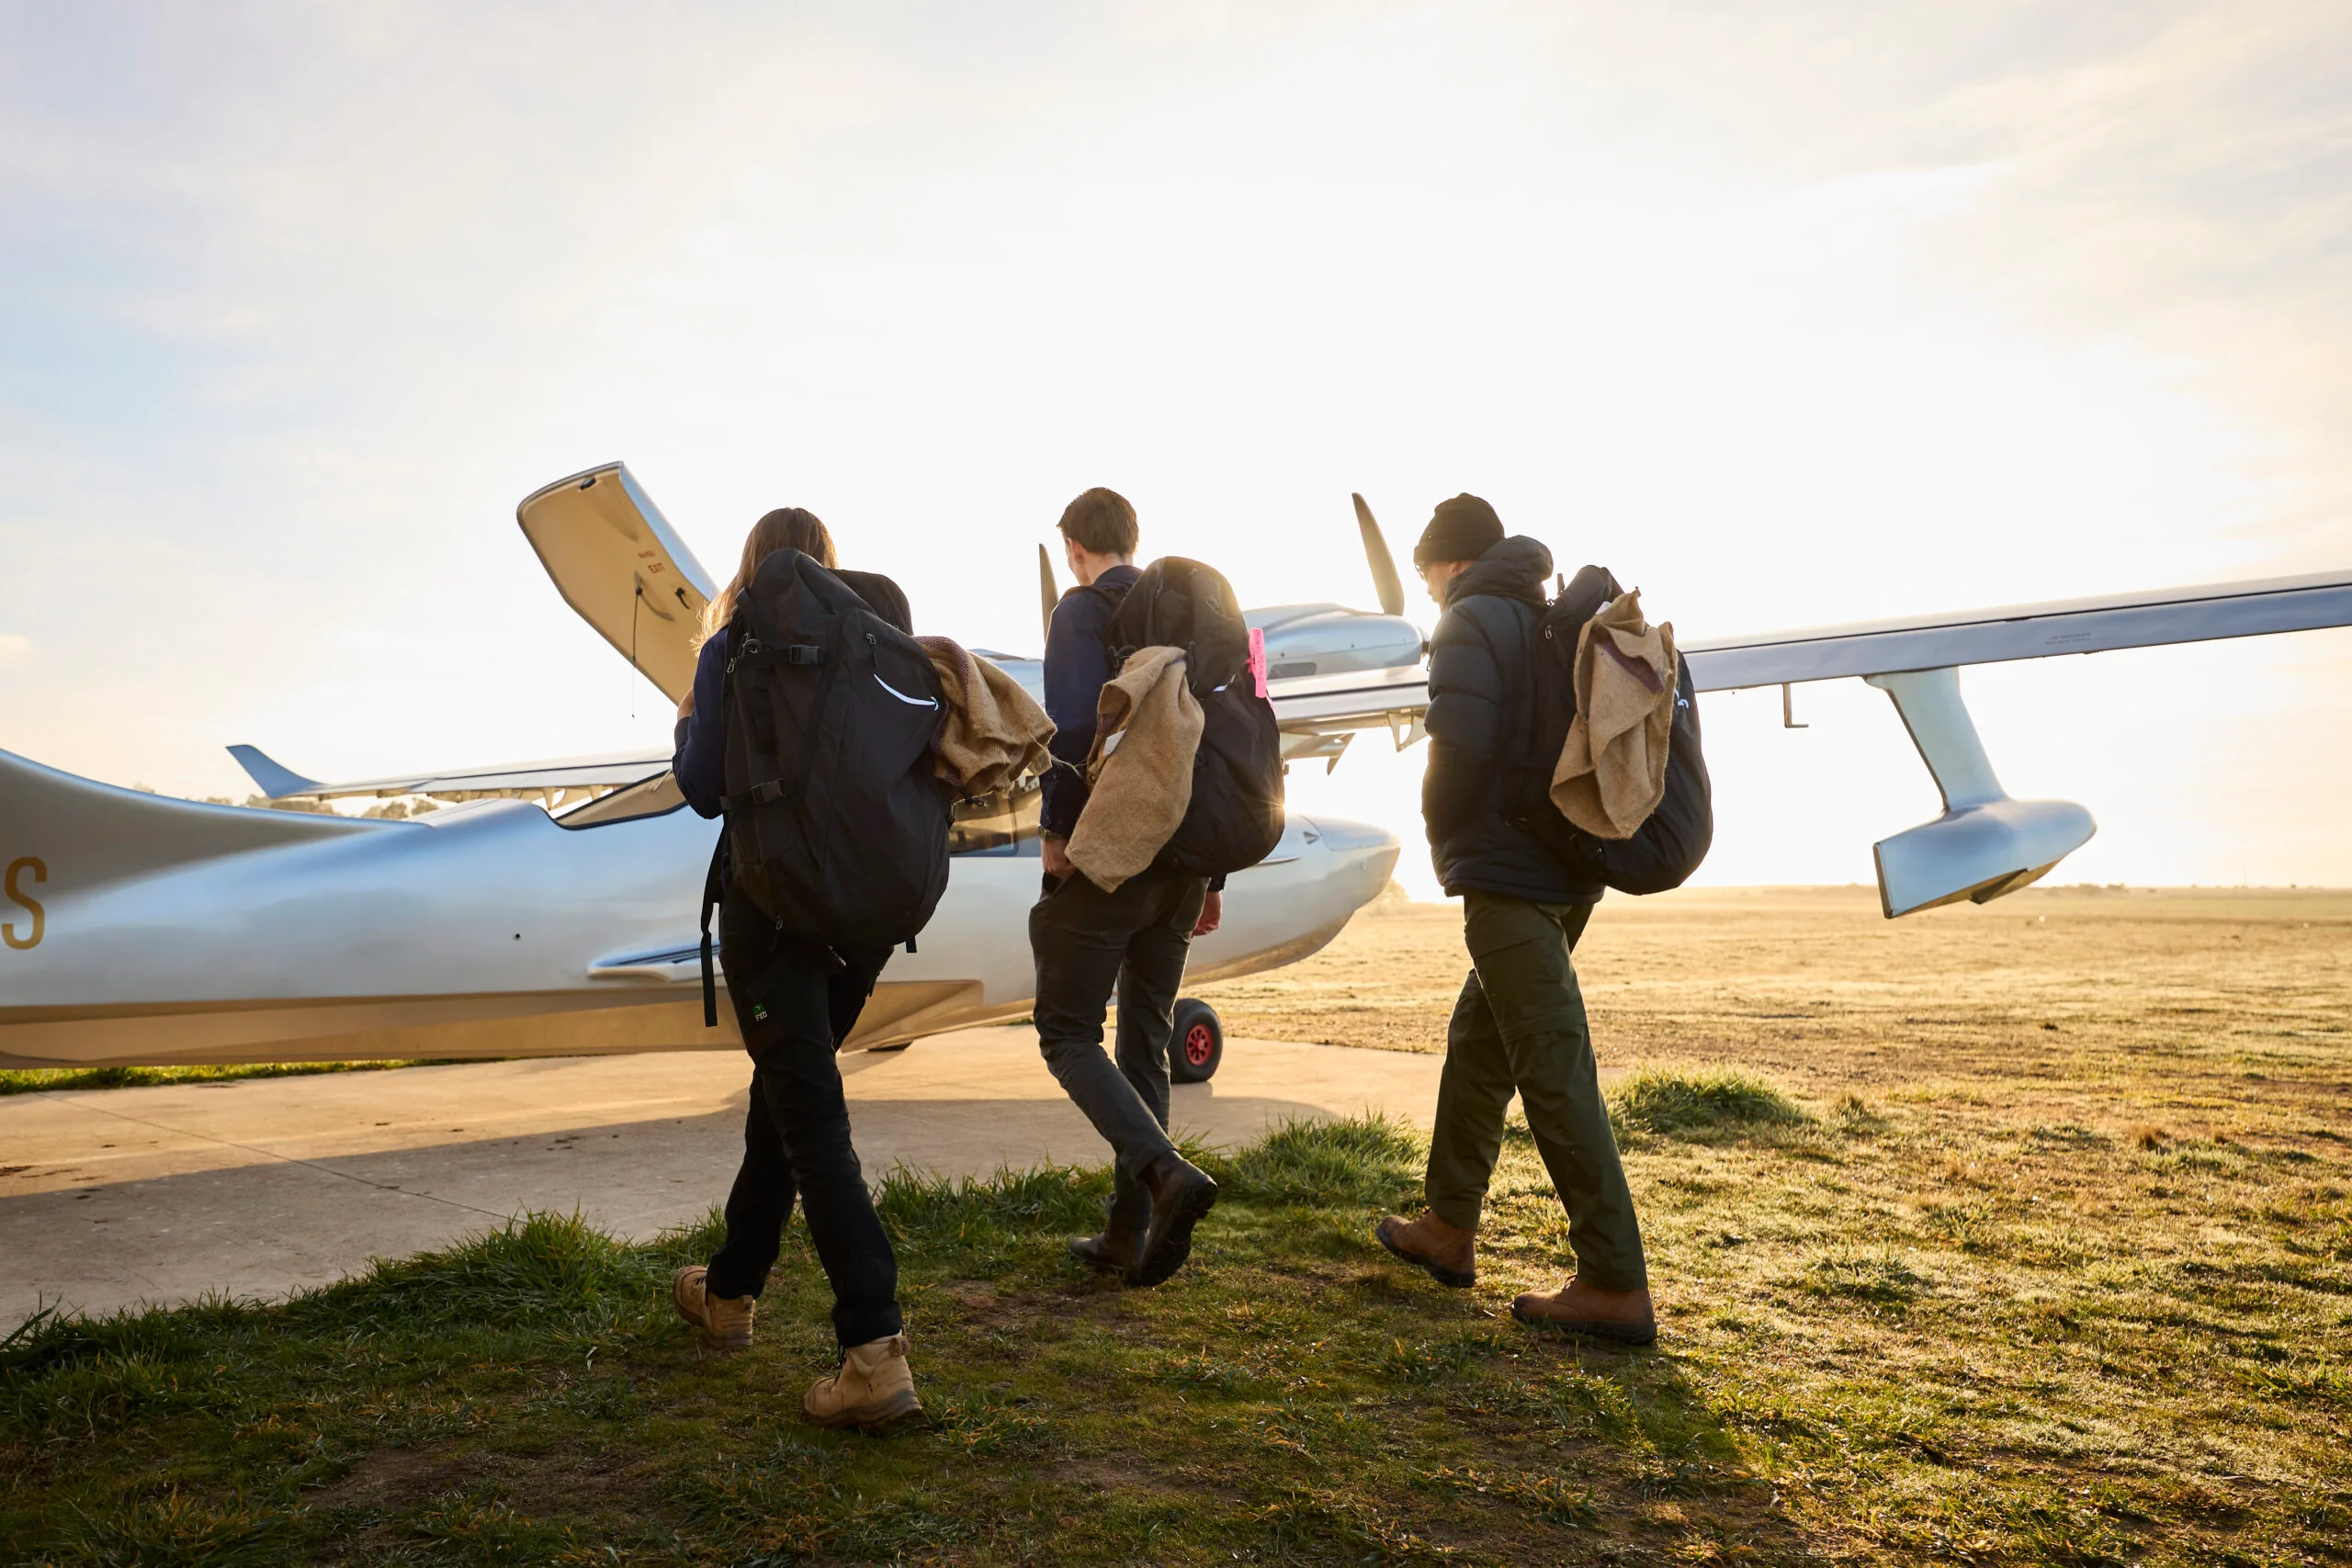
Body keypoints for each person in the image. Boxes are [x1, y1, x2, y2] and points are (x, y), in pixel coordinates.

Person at [1374, 493, 1657, 1345]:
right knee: (1482, 1038)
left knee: (1550, 1063)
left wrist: (1442, 837)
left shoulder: (1471, 623)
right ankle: (1448, 1224)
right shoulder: (1545, 616)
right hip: (1569, 872)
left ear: (1450, 561)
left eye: (1427, 570)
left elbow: (1455, 749)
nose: (1425, 589)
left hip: (1510, 875)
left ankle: (1612, 1277)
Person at [668, 506, 923, 1427]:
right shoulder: (882, 638)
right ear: (828, 565)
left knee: (809, 1122)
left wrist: (689, 721)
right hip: (863, 917)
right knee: (784, 1102)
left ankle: (872, 1353)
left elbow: (700, 791)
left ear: (753, 569)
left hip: (771, 911)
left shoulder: (735, 645)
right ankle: (730, 1293)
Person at [1032, 486, 1222, 1287]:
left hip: (1113, 853)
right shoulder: (1188, 616)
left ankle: (1161, 1171)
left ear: (1074, 547)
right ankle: (1129, 1233)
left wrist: (1057, 835)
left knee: (1066, 1031)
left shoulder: (1081, 612)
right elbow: (1207, 747)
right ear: (1132, 541)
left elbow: (1073, 731)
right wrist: (1212, 873)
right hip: (1183, 862)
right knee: (1143, 1036)